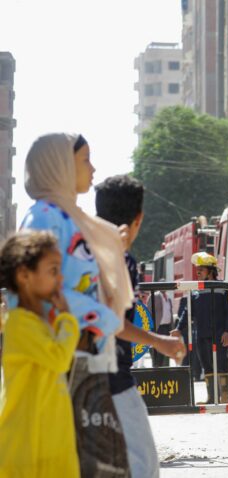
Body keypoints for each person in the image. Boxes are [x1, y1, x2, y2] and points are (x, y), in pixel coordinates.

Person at [21, 133, 135, 473]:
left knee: (99, 463)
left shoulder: (69, 217)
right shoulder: (43, 217)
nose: (93, 168)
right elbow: (38, 290)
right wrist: (104, 318)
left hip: (84, 357)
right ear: (59, 166)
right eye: (84, 160)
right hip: (61, 359)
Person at [95, 174, 186, 478]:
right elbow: (114, 321)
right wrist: (161, 342)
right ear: (139, 219)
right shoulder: (120, 257)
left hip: (74, 378)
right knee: (143, 467)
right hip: (112, 379)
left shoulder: (77, 247)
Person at [0, 231, 81, 477]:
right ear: (24, 275)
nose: (60, 278)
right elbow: (59, 358)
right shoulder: (20, 324)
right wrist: (67, 318)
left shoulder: (35, 322)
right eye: (53, 270)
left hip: (48, 440)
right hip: (27, 448)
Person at [171, 252, 228, 404]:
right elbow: (187, 311)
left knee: (221, 363)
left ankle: (225, 396)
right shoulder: (195, 290)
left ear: (211, 271)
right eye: (197, 269)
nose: (198, 272)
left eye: (201, 269)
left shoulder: (223, 288)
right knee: (206, 364)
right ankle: (211, 398)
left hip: (219, 333)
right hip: (201, 334)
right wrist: (179, 328)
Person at [149, 286, 173, 367]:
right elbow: (149, 310)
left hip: (166, 328)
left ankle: (162, 368)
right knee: (157, 350)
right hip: (158, 327)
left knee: (165, 351)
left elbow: (170, 312)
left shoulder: (168, 298)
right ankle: (156, 368)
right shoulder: (154, 296)